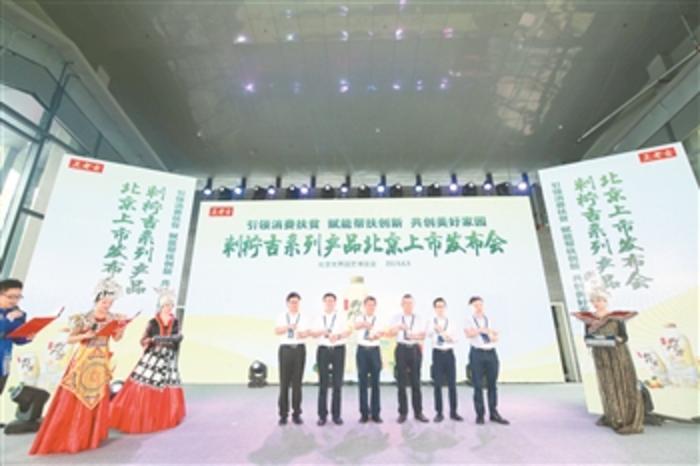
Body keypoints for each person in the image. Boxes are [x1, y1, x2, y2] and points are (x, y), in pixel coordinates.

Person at [30, 278, 127, 455]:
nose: (107, 306)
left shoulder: (113, 318)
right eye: (104, 302)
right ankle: (71, 435)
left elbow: (117, 338)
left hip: (101, 360)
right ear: (97, 300)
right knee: (76, 393)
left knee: (95, 396)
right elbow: (69, 339)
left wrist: (122, 327)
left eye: (110, 303)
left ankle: (91, 435)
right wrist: (84, 336)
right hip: (84, 358)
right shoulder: (82, 318)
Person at [110, 288, 185, 433]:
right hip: (153, 356)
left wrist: (162, 339)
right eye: (166, 305)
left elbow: (178, 337)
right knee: (146, 383)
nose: (169, 308)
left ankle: (163, 417)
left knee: (167, 384)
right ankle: (144, 416)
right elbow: (143, 339)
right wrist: (152, 341)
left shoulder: (174, 321)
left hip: (167, 356)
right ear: (161, 306)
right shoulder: (153, 322)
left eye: (171, 305)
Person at [584, 286, 644, 434]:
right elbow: (587, 337)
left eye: (599, 300)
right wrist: (592, 340)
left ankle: (626, 416)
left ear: (606, 301)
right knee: (608, 384)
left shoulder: (616, 317)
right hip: (601, 354)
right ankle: (614, 415)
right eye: (593, 300)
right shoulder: (589, 319)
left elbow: (624, 337)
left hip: (618, 354)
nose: (596, 303)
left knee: (621, 382)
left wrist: (616, 339)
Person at [464, 296, 509, 425]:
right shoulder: (468, 320)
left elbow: (496, 335)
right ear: (471, 307)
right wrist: (481, 330)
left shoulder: (490, 319)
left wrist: (492, 335)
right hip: (477, 353)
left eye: (480, 304)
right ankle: (480, 414)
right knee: (477, 385)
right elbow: (468, 334)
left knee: (492, 385)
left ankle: (494, 413)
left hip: (491, 352)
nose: (479, 307)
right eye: (476, 305)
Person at [388, 294, 429, 423]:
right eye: (405, 303)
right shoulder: (396, 317)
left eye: (410, 303)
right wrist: (398, 328)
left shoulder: (419, 318)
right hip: (401, 349)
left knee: (416, 382)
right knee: (401, 382)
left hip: (414, 349)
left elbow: (423, 335)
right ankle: (403, 412)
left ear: (413, 304)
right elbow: (390, 333)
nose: (408, 306)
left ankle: (418, 412)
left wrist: (414, 336)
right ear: (402, 305)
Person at [311, 292, 350, 426]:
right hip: (323, 350)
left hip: (338, 349)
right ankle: (322, 416)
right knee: (323, 384)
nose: (329, 303)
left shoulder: (342, 316)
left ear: (335, 303)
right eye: (327, 301)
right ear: (324, 302)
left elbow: (348, 332)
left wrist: (338, 336)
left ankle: (336, 415)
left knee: (337, 384)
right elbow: (313, 333)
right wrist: (322, 332)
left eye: (332, 301)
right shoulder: (318, 317)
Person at [274, 292, 309, 425]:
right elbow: (277, 331)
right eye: (292, 302)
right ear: (287, 303)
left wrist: (303, 334)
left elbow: (308, 332)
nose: (295, 305)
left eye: (297, 302)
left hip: (299, 349)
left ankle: (296, 414)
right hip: (285, 350)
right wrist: (288, 327)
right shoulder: (281, 316)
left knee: (297, 384)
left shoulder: (304, 317)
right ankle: (283, 414)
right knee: (284, 383)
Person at [0, 279, 29, 429]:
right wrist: (8, 320)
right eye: (10, 297)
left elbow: (18, 339)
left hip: (3, 360)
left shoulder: (18, 314)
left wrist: (29, 336)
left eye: (18, 297)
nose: (14, 301)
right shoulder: (10, 316)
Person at [430, 297, 463, 422]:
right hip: (437, 354)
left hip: (449, 353)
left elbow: (455, 339)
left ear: (445, 308)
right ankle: (439, 412)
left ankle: (454, 412)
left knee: (452, 384)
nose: (440, 309)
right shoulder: (431, 322)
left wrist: (443, 333)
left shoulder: (452, 322)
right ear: (434, 308)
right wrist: (435, 331)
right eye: (438, 307)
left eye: (442, 306)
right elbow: (427, 334)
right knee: (437, 384)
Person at [354, 296, 384, 423]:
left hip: (374, 350)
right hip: (362, 351)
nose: (370, 307)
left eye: (373, 305)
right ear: (364, 306)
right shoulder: (359, 317)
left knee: (376, 383)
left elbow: (383, 332)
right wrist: (363, 324)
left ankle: (376, 413)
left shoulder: (379, 319)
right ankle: (364, 413)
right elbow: (355, 326)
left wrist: (377, 335)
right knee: (363, 383)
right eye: (368, 305)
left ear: (375, 306)